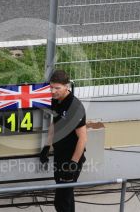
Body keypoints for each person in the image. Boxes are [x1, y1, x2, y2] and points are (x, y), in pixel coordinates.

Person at [40, 70, 87, 212]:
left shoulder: (75, 107)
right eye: (51, 87)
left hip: (71, 159)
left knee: (61, 201)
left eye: (57, 88)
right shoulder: (56, 101)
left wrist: (73, 163)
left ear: (67, 86)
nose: (53, 91)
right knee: (65, 198)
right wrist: (47, 146)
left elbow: (83, 138)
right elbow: (55, 124)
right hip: (60, 156)